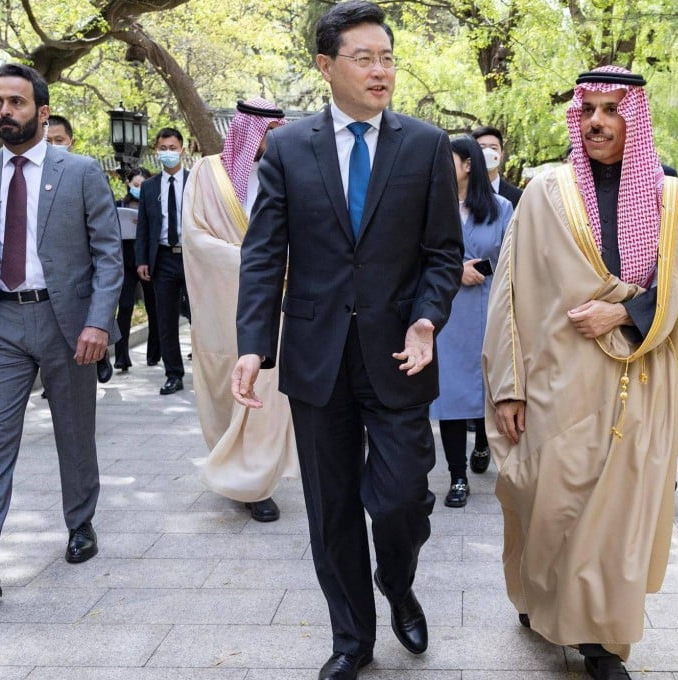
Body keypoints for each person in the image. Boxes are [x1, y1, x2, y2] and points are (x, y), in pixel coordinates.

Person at [231, 2, 463, 678]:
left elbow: (443, 254)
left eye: (387, 56)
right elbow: (262, 253)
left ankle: (398, 580)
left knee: (399, 501)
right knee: (331, 509)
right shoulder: (289, 149)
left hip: (399, 353)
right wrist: (253, 343)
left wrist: (427, 320)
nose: (380, 69)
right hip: (316, 357)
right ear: (325, 66)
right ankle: (352, 639)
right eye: (364, 57)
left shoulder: (424, 146)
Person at [482, 65, 678, 679]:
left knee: (618, 516)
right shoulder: (545, 190)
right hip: (555, 380)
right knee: (545, 501)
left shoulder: (669, 195)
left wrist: (622, 310)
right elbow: (509, 292)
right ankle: (537, 592)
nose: (598, 121)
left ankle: (600, 642)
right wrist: (509, 386)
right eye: (589, 111)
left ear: (634, 118)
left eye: (612, 109)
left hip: (638, 380)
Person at [0, 63, 122, 600]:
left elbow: (110, 257)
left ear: (40, 111)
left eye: (14, 103)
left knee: (74, 431)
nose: (3, 112)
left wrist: (98, 323)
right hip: (0, 323)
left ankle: (80, 521)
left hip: (67, 324)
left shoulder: (80, 171)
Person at [182, 98, 298, 523]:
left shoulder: (286, 172)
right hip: (221, 302)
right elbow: (195, 237)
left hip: (275, 303)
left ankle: (257, 483)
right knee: (221, 385)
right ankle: (229, 465)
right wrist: (253, 260)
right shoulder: (207, 173)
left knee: (267, 386)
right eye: (268, 132)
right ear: (249, 131)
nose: (274, 139)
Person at [430, 135, 513, 508]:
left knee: (486, 387)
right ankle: (457, 475)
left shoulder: (501, 208)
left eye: (449, 160)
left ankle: (484, 442)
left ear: (467, 165)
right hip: (446, 313)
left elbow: (513, 259)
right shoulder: (431, 206)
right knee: (450, 392)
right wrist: (453, 271)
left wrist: (479, 268)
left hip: (488, 307)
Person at [45, 114, 114, 385]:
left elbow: (106, 242)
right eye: (47, 140)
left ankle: (102, 351)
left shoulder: (86, 173)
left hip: (81, 273)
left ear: (70, 141)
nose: (53, 145)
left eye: (58, 140)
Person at [135, 127, 191, 395]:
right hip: (163, 259)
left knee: (200, 317)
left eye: (172, 147)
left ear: (182, 148)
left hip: (194, 258)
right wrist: (142, 260)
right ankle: (173, 374)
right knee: (165, 320)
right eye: (163, 148)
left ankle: (206, 370)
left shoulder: (196, 182)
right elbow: (143, 227)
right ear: (156, 151)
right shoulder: (148, 187)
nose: (168, 152)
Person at [114, 168, 161, 370]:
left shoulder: (154, 205)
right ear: (128, 183)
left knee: (154, 308)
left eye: (142, 185)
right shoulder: (118, 205)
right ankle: (121, 356)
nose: (138, 189)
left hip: (149, 262)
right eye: (135, 185)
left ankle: (154, 353)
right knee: (124, 307)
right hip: (125, 261)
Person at [471, 125, 523, 207]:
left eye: (493, 148)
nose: (488, 152)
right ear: (471, 153)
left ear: (502, 154)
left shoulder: (518, 196)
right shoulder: (459, 192)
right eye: (481, 148)